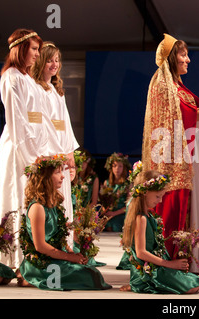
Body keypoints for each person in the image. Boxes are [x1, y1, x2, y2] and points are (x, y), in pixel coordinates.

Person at [141, 33, 199, 273]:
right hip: (173, 162)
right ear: (171, 58)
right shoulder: (162, 85)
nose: (188, 60)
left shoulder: (179, 88)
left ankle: (188, 259)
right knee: (174, 208)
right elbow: (181, 118)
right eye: (183, 54)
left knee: (191, 207)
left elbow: (197, 120)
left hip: (188, 156)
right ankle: (169, 262)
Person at [0, 29, 50, 268]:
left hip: (34, 146)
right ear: (21, 49)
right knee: (17, 197)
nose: (38, 54)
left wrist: (44, 149)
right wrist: (31, 158)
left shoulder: (27, 78)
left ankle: (31, 257)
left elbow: (38, 118)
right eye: (34, 49)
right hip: (19, 149)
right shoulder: (12, 77)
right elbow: (17, 119)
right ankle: (15, 261)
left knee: (31, 202)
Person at [17, 154, 111, 290]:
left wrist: (72, 253)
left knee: (92, 272)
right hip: (42, 261)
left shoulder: (54, 204)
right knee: (89, 276)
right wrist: (68, 257)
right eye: (57, 172)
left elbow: (59, 237)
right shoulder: (37, 207)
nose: (62, 176)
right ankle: (31, 276)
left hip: (55, 256)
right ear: (45, 178)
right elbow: (40, 246)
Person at [120, 170, 199, 294]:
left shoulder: (148, 215)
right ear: (145, 193)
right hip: (146, 271)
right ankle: (138, 283)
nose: (160, 201)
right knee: (192, 286)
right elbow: (141, 253)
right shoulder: (141, 218)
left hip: (154, 264)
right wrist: (170, 264)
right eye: (158, 196)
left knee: (195, 282)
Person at [32, 41, 79, 248]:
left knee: (64, 199)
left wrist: (70, 155)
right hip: (49, 154)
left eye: (57, 60)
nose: (54, 64)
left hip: (61, 152)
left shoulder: (57, 90)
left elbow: (65, 125)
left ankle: (66, 245)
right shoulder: (35, 89)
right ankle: (52, 247)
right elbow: (38, 125)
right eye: (49, 60)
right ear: (40, 62)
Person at [100, 152, 131, 232]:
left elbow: (128, 205)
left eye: (120, 166)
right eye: (115, 166)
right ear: (111, 168)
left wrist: (114, 214)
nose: (117, 169)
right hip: (108, 214)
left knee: (116, 223)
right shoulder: (106, 183)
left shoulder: (127, 184)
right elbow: (103, 201)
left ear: (124, 168)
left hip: (120, 214)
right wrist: (106, 211)